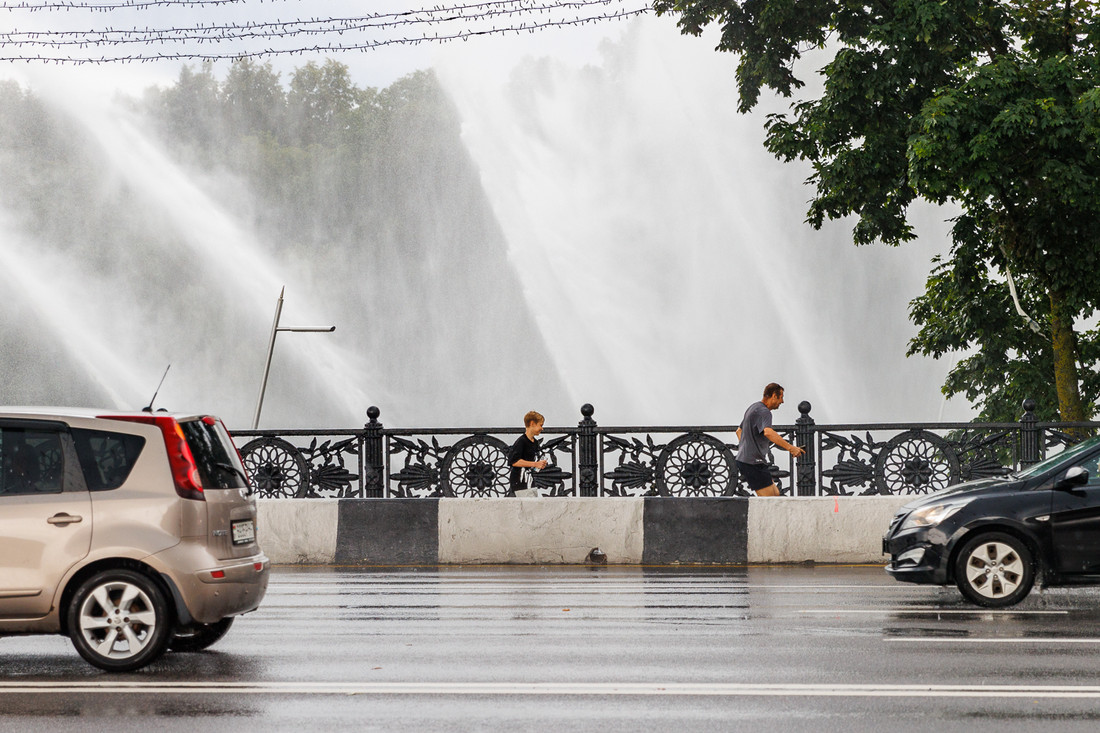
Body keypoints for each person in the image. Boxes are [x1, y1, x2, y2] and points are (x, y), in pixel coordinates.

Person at [735, 383, 805, 496]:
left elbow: (739, 431)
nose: (782, 401)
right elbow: (768, 432)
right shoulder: (764, 412)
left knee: (776, 494)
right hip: (752, 463)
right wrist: (791, 448)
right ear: (774, 396)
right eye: (781, 397)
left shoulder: (754, 407)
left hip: (751, 461)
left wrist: (747, 447)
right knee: (769, 501)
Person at [507, 410, 548, 497]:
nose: (542, 428)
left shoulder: (535, 442)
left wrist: (540, 464)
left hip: (530, 480)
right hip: (520, 480)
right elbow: (514, 461)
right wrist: (535, 464)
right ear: (532, 423)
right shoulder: (521, 441)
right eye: (540, 425)